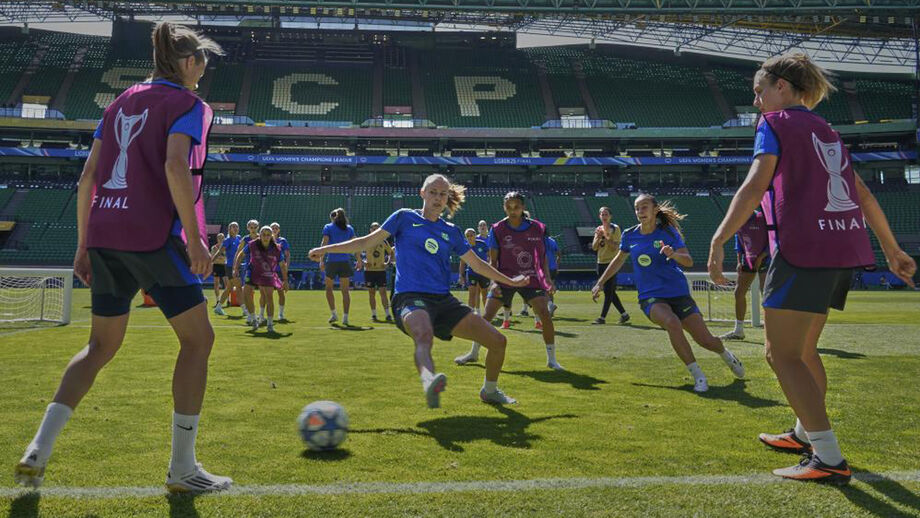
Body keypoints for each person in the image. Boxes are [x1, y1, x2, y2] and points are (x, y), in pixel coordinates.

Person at [14, 21, 232, 493]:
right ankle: (182, 468)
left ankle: (38, 449)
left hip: (104, 233)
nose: (203, 72)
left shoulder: (119, 102)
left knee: (99, 347)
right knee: (198, 341)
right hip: (151, 235)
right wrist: (196, 241)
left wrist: (83, 244)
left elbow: (88, 176)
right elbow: (175, 164)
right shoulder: (190, 105)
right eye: (202, 64)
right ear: (189, 62)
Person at [708, 52, 916, 485]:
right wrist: (892, 248)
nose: (757, 102)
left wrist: (718, 239)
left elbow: (754, 185)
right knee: (803, 351)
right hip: (842, 248)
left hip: (803, 250)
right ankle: (805, 433)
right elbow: (863, 194)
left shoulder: (774, 123)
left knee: (780, 354)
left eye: (759, 92)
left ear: (781, 87)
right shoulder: (827, 129)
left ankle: (828, 456)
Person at [309, 174, 527, 408]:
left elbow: (477, 264)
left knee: (498, 341)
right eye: (433, 192)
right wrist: (326, 250)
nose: (438, 198)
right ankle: (429, 381)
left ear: (447, 198)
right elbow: (364, 242)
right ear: (422, 193)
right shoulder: (403, 217)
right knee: (423, 333)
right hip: (410, 297)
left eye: (443, 194)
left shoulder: (452, 231)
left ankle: (490, 391)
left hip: (444, 301)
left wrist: (510, 281)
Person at [593, 194, 745, 393]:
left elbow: (688, 260)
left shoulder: (668, 232)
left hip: (677, 292)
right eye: (637, 208)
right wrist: (600, 282)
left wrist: (673, 254)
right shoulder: (630, 235)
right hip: (650, 296)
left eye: (644, 207)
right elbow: (619, 259)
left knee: (706, 340)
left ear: (655, 209)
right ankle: (699, 376)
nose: (640, 212)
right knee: (672, 322)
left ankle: (726, 355)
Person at [455, 192, 562, 370]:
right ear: (504, 208)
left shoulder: (537, 228)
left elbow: (542, 257)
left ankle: (552, 359)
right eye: (509, 207)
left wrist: (547, 279)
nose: (513, 210)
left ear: (523, 207)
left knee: (544, 312)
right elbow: (493, 260)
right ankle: (473, 353)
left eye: (516, 207)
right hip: (504, 278)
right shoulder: (497, 229)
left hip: (530, 278)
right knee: (487, 316)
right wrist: (494, 282)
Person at [721, 209, 770, 340]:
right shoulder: (738, 219)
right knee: (738, 292)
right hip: (748, 259)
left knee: (766, 294)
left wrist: (761, 257)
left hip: (766, 259)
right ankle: (738, 331)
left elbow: (772, 239)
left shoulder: (762, 218)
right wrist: (739, 261)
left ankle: (772, 332)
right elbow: (738, 241)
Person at [592, 206, 629, 324]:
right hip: (600, 262)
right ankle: (624, 314)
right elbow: (594, 247)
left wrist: (605, 237)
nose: (604, 216)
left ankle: (602, 317)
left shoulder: (615, 228)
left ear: (610, 216)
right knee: (610, 291)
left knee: (608, 291)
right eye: (602, 214)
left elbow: (615, 247)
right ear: (599, 216)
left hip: (611, 263)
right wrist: (598, 238)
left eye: (606, 214)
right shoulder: (598, 229)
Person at [320, 208, 358, 325]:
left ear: (333, 217)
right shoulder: (349, 228)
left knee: (328, 289)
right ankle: (345, 318)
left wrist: (321, 260)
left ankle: (334, 314)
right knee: (345, 291)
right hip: (345, 261)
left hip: (332, 261)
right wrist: (359, 259)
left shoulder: (328, 227)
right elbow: (356, 244)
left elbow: (324, 244)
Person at [247, 226, 288, 333]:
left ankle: (270, 324)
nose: (266, 237)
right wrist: (235, 267)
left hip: (268, 273)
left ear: (271, 236)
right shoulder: (253, 244)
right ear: (260, 235)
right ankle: (254, 318)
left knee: (269, 296)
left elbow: (282, 264)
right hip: (254, 271)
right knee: (246, 293)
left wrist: (285, 280)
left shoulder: (276, 248)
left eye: (268, 235)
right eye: (264, 234)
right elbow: (241, 254)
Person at [362, 221, 393, 321]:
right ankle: (374, 315)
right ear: (370, 230)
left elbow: (391, 253)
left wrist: (387, 263)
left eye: (377, 228)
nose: (375, 230)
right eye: (373, 228)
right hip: (369, 271)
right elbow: (357, 252)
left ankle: (387, 314)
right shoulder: (366, 240)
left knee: (383, 292)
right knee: (371, 293)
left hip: (380, 270)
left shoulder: (383, 241)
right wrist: (363, 262)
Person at [232, 219, 260, 327]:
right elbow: (238, 253)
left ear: (258, 227)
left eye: (255, 227)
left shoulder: (261, 237)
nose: (253, 229)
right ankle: (251, 314)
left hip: (261, 268)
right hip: (249, 268)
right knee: (247, 291)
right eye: (251, 227)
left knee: (264, 292)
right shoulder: (245, 239)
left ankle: (261, 314)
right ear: (248, 228)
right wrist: (235, 267)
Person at [457, 228, 490, 316]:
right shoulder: (465, 247)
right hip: (472, 273)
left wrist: (489, 267)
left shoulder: (482, 244)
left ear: (475, 235)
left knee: (485, 294)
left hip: (483, 273)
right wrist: (461, 276)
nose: (470, 237)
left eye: (471, 235)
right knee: (472, 294)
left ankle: (487, 315)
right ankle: (471, 315)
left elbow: (489, 256)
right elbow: (462, 263)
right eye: (467, 236)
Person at [215, 221, 241, 315]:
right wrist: (212, 260)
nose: (235, 228)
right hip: (230, 266)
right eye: (233, 227)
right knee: (238, 286)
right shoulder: (227, 240)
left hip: (237, 266)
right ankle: (245, 309)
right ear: (229, 229)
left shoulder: (239, 238)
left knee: (229, 288)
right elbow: (219, 252)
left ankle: (218, 307)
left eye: (236, 226)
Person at [265, 222, 290, 321]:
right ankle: (264, 314)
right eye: (273, 228)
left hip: (279, 270)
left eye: (276, 228)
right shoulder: (265, 240)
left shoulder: (283, 241)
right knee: (267, 293)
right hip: (268, 270)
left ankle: (281, 314)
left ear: (279, 230)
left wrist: (286, 266)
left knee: (280, 292)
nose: (274, 230)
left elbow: (287, 255)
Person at [209, 232, 227, 306]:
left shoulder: (226, 247)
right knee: (216, 283)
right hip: (216, 266)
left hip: (224, 266)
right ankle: (217, 300)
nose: (221, 239)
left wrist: (219, 257)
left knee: (226, 283)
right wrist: (221, 257)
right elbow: (213, 258)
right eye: (219, 238)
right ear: (217, 239)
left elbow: (225, 258)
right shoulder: (214, 247)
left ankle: (228, 300)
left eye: (222, 238)